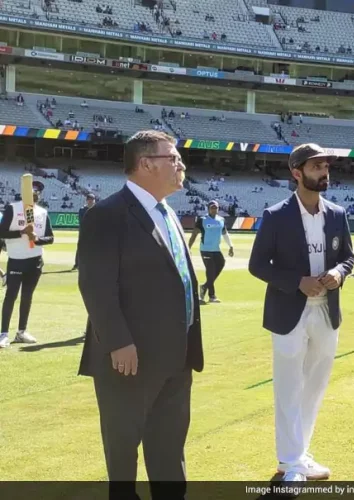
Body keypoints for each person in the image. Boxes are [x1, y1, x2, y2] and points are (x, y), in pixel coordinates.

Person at [77, 130, 203, 499]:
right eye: (173, 158)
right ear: (146, 164)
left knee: (169, 450)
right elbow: (96, 285)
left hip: (177, 357)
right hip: (129, 359)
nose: (181, 165)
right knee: (123, 453)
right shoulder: (106, 215)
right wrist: (118, 342)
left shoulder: (169, 213)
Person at [249, 143, 354, 485]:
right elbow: (257, 265)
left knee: (314, 387)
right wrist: (298, 282)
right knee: (288, 387)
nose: (324, 172)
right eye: (316, 167)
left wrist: (338, 273)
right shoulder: (275, 215)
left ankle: (299, 455)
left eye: (326, 166)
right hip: (288, 312)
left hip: (327, 311)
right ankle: (291, 462)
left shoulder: (336, 213)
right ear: (297, 173)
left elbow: (348, 257)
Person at [0, 190, 54, 348]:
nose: (33, 196)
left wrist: (37, 239)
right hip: (16, 260)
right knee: (11, 296)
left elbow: (50, 238)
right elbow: (2, 232)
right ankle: (3, 334)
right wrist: (21, 232)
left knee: (27, 296)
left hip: (35, 260)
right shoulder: (12, 208)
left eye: (36, 194)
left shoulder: (42, 212)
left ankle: (21, 332)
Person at [188, 200, 234, 304]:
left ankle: (204, 286)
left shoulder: (221, 220)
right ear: (208, 209)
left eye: (216, 208)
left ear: (218, 209)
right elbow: (194, 234)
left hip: (216, 249)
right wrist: (188, 247)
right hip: (205, 249)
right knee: (210, 271)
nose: (214, 209)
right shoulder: (202, 220)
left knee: (221, 263)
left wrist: (231, 246)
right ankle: (211, 296)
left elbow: (225, 233)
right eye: (212, 208)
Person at [73, 193, 96, 271]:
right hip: (84, 231)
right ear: (87, 200)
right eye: (89, 200)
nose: (91, 201)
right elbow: (82, 221)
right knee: (81, 248)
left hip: (94, 232)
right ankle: (77, 264)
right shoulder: (82, 210)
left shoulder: (97, 209)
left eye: (92, 200)